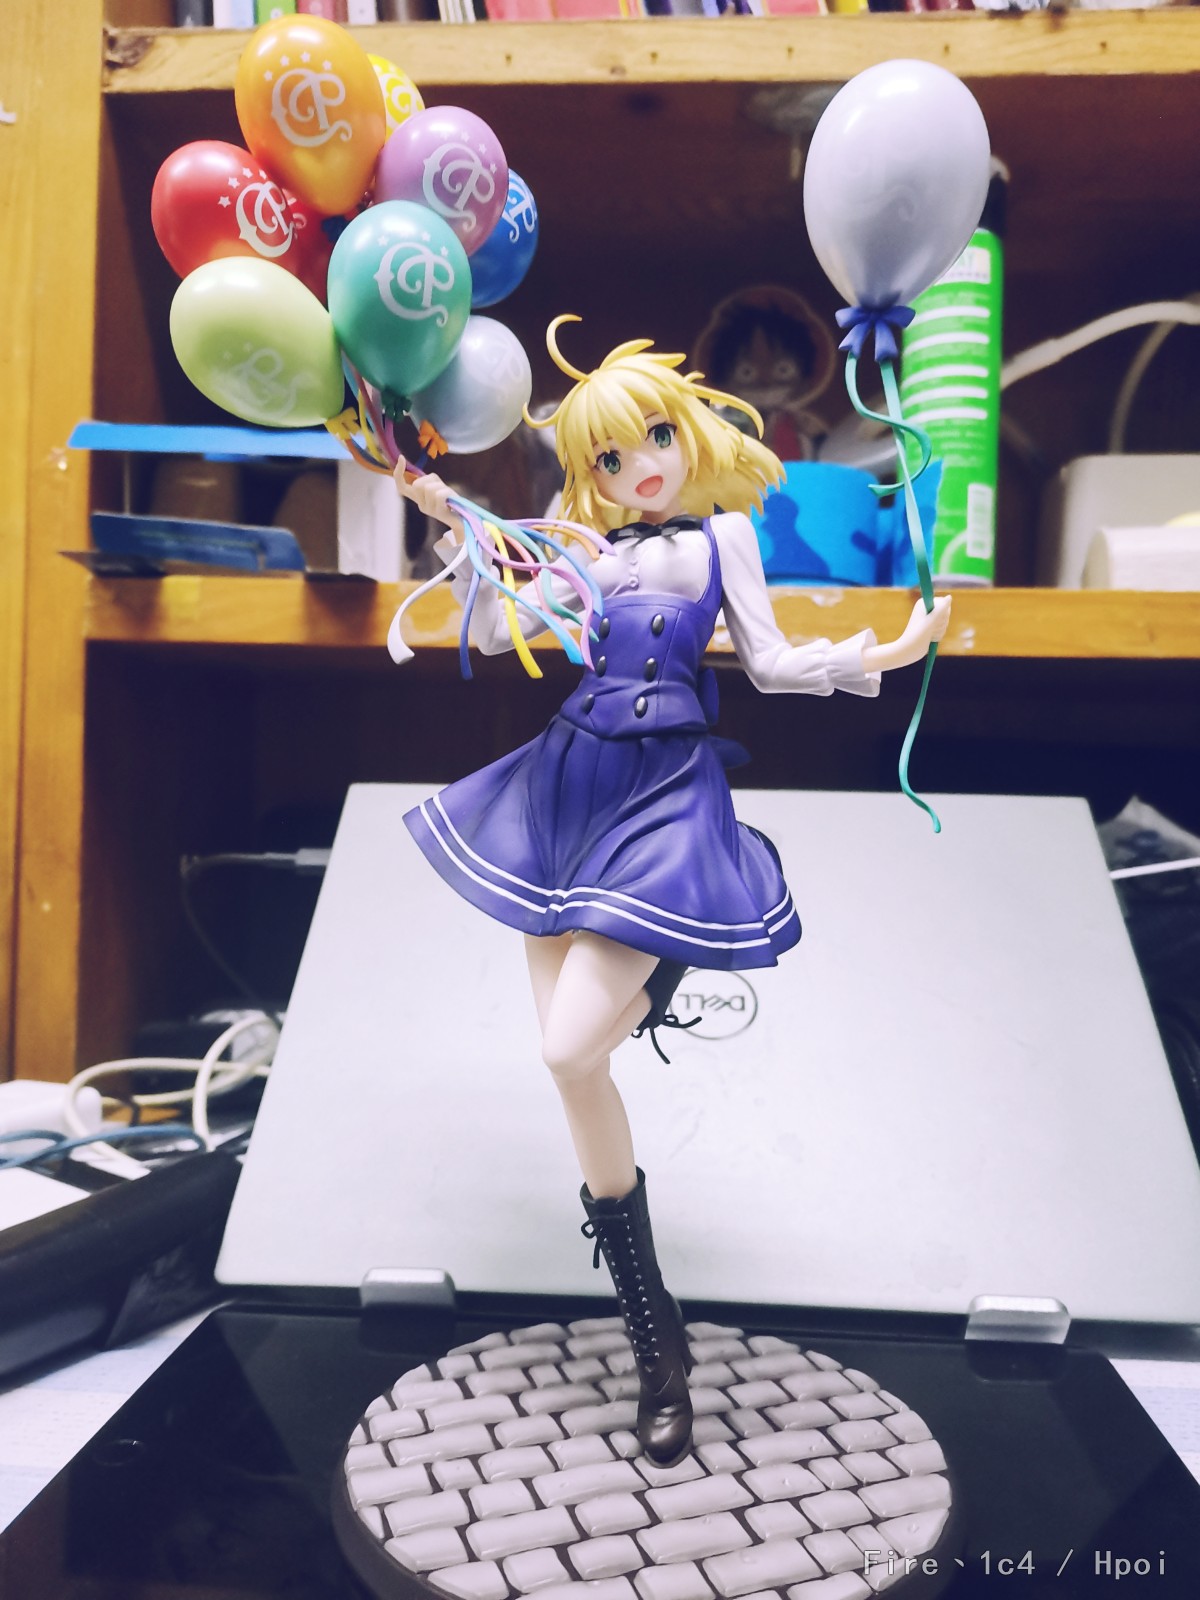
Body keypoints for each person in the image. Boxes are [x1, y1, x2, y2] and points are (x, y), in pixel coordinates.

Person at [395, 315, 950, 1467]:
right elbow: (499, 623)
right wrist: (466, 534)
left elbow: (773, 661)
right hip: (567, 786)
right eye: (606, 456)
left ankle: (670, 957)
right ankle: (659, 1341)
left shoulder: (723, 539)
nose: (636, 465)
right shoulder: (586, 554)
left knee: (568, 1046)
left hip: (664, 795)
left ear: (686, 430)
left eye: (650, 436)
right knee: (574, 1066)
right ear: (587, 473)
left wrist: (879, 654)